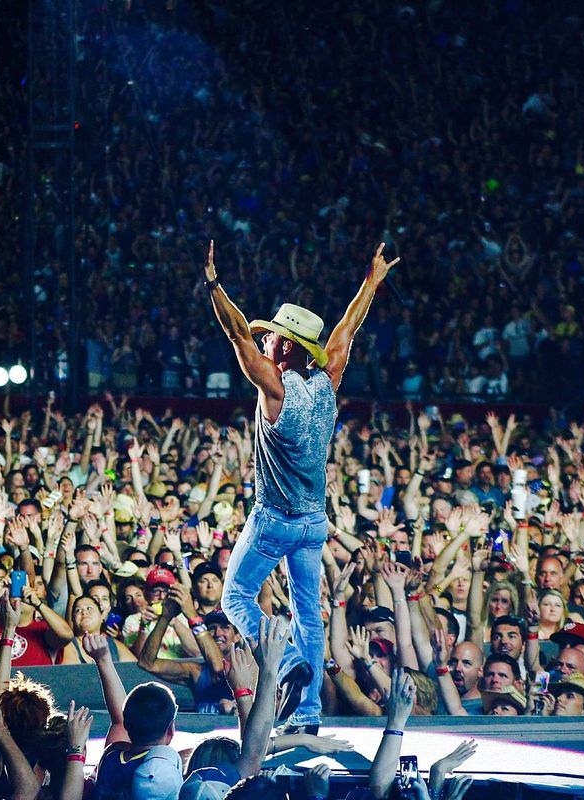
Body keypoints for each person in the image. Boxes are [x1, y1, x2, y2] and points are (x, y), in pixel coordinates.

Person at [205, 239, 400, 732]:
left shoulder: (275, 386)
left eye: (270, 337)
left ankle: (289, 663)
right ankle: (308, 710)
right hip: (315, 522)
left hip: (275, 521)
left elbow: (234, 334)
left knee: (235, 599)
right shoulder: (326, 380)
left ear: (285, 347)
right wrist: (371, 282)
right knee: (308, 613)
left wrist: (213, 283)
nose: (263, 340)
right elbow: (346, 329)